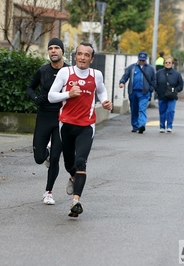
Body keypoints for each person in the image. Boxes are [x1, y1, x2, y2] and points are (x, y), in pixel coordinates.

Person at [48, 42, 113, 217]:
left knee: (81, 162)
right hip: (66, 125)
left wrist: (106, 102)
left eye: (86, 55)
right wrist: (68, 94)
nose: (82, 57)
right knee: (69, 164)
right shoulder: (65, 73)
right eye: (80, 54)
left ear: (91, 59)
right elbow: (51, 96)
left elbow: (102, 92)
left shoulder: (96, 75)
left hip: (86, 126)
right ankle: (73, 177)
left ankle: (75, 202)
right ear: (75, 56)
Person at [26, 38, 69, 205]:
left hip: (62, 118)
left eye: (56, 47)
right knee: (38, 157)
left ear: (62, 51)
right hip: (44, 116)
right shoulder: (43, 71)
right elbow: (30, 87)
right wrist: (35, 98)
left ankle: (48, 192)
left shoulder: (70, 71)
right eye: (50, 48)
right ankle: (47, 154)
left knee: (56, 158)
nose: (53, 51)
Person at [119, 51, 156, 134]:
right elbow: (125, 76)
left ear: (146, 60)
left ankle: (141, 125)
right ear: (138, 59)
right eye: (140, 60)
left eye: (143, 60)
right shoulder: (132, 67)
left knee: (142, 109)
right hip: (133, 92)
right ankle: (135, 126)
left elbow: (154, 80)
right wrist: (122, 82)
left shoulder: (150, 69)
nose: (142, 62)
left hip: (144, 93)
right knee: (134, 109)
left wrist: (151, 89)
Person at [155, 56, 184, 133]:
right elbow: (155, 83)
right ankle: (162, 126)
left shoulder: (176, 74)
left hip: (172, 96)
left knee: (170, 111)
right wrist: (157, 90)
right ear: (164, 63)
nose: (168, 64)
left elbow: (180, 84)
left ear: (172, 64)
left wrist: (175, 90)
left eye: (169, 63)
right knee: (162, 111)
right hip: (162, 95)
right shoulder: (159, 73)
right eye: (166, 63)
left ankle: (169, 126)